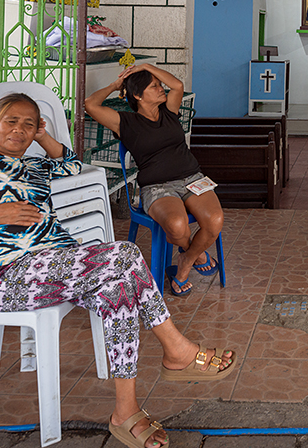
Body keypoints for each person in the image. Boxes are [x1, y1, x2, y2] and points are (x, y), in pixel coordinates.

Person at [0, 90, 236, 448]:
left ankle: (125, 411)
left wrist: (44, 136)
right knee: (124, 255)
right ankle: (177, 351)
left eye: (29, 125)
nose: (19, 130)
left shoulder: (34, 165)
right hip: (3, 277)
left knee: (118, 289)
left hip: (57, 267)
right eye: (11, 121)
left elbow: (70, 165)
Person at [85, 64, 223, 298]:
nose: (162, 89)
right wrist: (115, 85)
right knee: (177, 225)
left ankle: (186, 260)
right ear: (138, 95)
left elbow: (177, 85)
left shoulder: (169, 111)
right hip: (157, 186)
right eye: (154, 86)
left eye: (159, 85)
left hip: (192, 178)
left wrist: (147, 67)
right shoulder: (124, 122)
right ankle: (196, 253)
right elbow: (90, 105)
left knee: (215, 220)